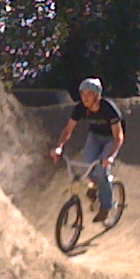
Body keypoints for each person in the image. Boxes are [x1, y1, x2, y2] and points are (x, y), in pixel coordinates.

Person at [50, 77, 125, 222]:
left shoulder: (109, 109)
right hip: (95, 137)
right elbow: (68, 130)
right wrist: (59, 147)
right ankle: (95, 187)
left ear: (96, 95)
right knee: (87, 166)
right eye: (82, 94)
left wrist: (110, 157)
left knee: (101, 171)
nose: (84, 98)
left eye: (88, 94)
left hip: (111, 139)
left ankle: (106, 207)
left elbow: (119, 137)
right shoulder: (80, 108)